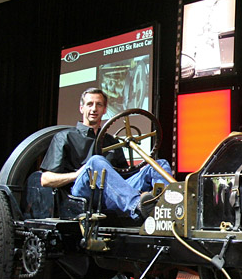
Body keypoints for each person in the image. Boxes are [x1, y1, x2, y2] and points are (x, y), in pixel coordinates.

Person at [40, 87, 169, 221]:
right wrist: (78, 174)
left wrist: (141, 170)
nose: (94, 109)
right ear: (81, 108)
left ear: (105, 110)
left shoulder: (111, 141)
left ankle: (167, 207)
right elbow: (45, 179)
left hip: (112, 195)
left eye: (99, 105)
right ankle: (137, 205)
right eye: (89, 104)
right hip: (82, 195)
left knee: (158, 164)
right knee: (96, 161)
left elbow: (125, 175)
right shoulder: (65, 137)